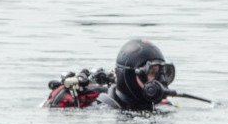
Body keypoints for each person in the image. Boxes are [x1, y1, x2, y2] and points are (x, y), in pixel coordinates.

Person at [42, 38, 177, 111]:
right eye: (152, 73)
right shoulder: (103, 110)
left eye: (162, 73)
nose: (159, 80)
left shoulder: (163, 105)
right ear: (130, 77)